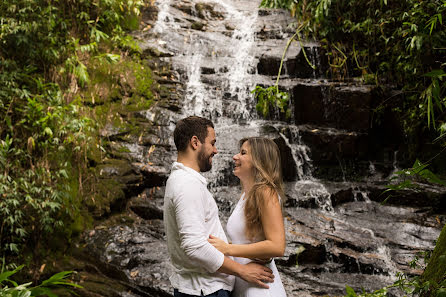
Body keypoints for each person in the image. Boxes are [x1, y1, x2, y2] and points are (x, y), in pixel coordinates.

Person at [163, 116, 275, 297]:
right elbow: (194, 246)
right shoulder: (187, 185)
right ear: (195, 142)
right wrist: (242, 270)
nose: (216, 150)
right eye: (212, 143)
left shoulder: (180, 180)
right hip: (206, 290)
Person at [208, 137, 287, 297]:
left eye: (243, 153)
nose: (235, 156)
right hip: (246, 282)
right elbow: (247, 240)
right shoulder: (247, 195)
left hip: (262, 289)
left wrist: (228, 248)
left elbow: (277, 246)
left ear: (259, 160)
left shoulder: (266, 192)